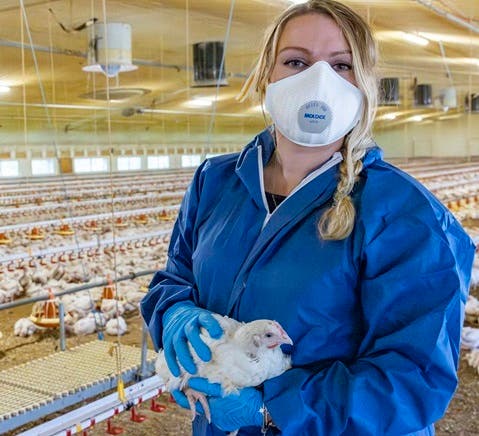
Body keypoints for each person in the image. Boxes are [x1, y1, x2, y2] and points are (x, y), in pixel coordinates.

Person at [141, 1, 475, 434]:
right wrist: (174, 314)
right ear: (267, 76)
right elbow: (175, 278)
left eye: (341, 66)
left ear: (364, 86)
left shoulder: (407, 215)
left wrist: (272, 410)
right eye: (296, 61)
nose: (318, 81)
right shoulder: (215, 183)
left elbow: (412, 377)